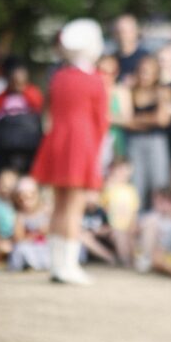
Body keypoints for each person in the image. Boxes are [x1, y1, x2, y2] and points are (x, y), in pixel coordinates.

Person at [30, 18, 108, 284]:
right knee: (73, 209)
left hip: (57, 143)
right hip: (81, 144)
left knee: (59, 206)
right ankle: (69, 266)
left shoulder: (59, 77)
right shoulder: (96, 81)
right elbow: (101, 121)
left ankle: (57, 264)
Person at [124, 55, 171, 209]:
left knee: (158, 183)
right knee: (137, 183)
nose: (143, 75)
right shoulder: (130, 92)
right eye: (141, 71)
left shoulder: (161, 92)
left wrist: (137, 119)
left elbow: (162, 119)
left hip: (156, 141)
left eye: (147, 72)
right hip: (135, 142)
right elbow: (127, 121)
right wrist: (149, 119)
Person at [113, 14, 148, 86]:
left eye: (125, 31)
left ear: (136, 32)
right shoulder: (111, 60)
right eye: (118, 32)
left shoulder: (146, 59)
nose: (121, 35)